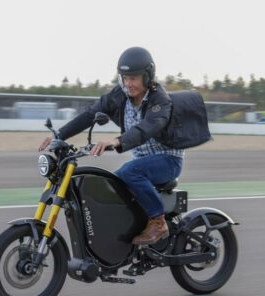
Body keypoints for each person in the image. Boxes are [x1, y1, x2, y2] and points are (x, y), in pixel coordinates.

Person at [39, 46, 184, 245]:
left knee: (128, 172)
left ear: (147, 76)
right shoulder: (120, 95)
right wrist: (59, 135)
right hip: (142, 161)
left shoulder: (160, 100)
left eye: (134, 77)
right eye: (124, 77)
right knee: (114, 186)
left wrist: (116, 141)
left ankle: (158, 222)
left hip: (168, 160)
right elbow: (91, 114)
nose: (128, 83)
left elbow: (148, 127)